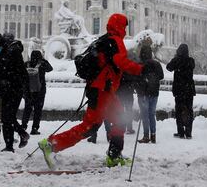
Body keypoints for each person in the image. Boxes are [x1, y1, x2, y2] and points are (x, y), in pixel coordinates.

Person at [38, 13, 144, 169]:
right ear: (120, 26)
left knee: (120, 117)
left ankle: (114, 155)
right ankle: (52, 144)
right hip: (103, 89)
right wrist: (142, 70)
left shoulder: (103, 40)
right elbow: (121, 62)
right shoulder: (115, 41)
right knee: (91, 125)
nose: (126, 30)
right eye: (125, 26)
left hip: (101, 88)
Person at [0, 33, 30, 152]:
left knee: (8, 117)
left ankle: (20, 136)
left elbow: (22, 71)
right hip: (2, 90)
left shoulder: (14, 52)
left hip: (15, 90)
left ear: (2, 44)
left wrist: (10, 80)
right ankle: (11, 144)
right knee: (6, 118)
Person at [166, 44, 196, 139]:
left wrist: (176, 58)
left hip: (179, 89)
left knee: (179, 110)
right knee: (189, 110)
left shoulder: (176, 60)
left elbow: (168, 67)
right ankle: (188, 132)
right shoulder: (191, 61)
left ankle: (181, 132)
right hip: (189, 89)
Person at [137, 45, 164, 144]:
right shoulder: (156, 64)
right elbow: (161, 76)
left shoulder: (140, 64)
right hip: (154, 92)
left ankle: (145, 135)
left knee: (144, 115)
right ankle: (153, 135)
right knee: (152, 115)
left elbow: (136, 77)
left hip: (143, 93)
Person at [22, 50, 53, 135]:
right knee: (38, 110)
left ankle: (23, 126)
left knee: (27, 109)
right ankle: (34, 128)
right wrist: (43, 60)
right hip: (40, 91)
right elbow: (50, 68)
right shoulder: (42, 64)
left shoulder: (26, 64)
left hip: (28, 91)